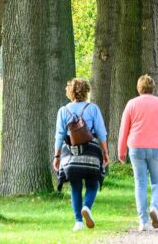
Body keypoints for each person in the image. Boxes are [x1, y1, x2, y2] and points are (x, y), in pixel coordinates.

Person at [118, 74, 158, 231]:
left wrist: (121, 150)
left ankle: (143, 221)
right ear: (153, 88)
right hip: (157, 147)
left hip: (136, 147)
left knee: (140, 182)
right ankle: (155, 208)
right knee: (157, 181)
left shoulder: (131, 104)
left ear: (139, 88)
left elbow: (124, 129)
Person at [53, 78, 109, 231]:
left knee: (75, 187)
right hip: (91, 153)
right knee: (93, 183)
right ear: (86, 91)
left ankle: (78, 221)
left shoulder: (63, 110)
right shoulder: (93, 109)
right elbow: (101, 132)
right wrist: (105, 151)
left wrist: (57, 156)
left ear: (70, 92)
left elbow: (59, 135)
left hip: (70, 156)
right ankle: (87, 207)